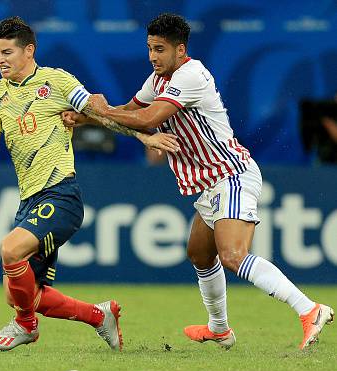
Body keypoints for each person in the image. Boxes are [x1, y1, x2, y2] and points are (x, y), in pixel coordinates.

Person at [63, 13, 333, 350]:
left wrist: (101, 112)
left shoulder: (191, 75)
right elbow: (129, 111)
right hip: (209, 183)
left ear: (180, 50)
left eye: (159, 49)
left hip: (230, 175)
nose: (152, 56)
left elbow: (148, 119)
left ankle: (309, 310)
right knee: (200, 254)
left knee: (233, 256)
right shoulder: (157, 80)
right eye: (149, 48)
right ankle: (219, 329)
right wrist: (88, 117)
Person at [0, 17, 178, 352]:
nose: (0, 59)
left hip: (61, 194)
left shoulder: (56, 81)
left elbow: (100, 112)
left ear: (29, 50)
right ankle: (100, 316)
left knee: (10, 251)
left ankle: (26, 326)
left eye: (8, 52)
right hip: (29, 201)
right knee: (20, 293)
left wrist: (143, 135)